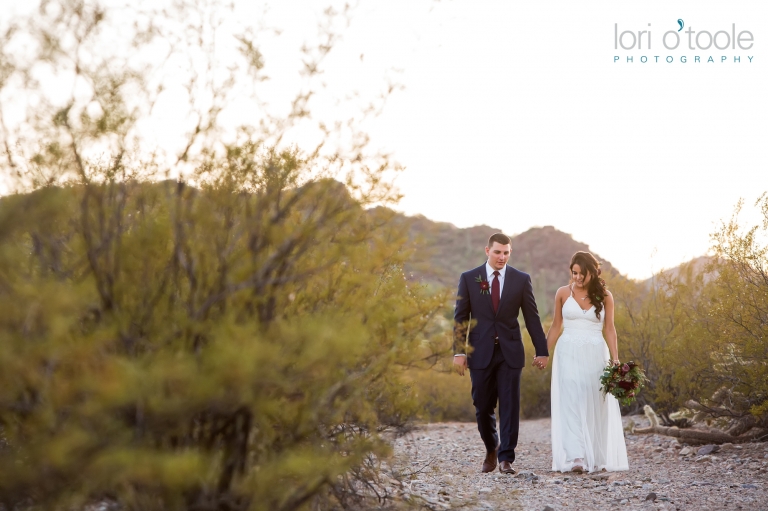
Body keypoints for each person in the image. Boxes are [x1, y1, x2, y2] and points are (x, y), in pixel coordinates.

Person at [453, 233, 549, 475]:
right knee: (482, 404)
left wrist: (542, 350)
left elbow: (532, 317)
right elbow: (460, 319)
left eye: (506, 253)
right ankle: (491, 447)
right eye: (497, 252)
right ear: (487, 251)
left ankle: (506, 458)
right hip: (480, 351)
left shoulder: (521, 279)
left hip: (510, 352)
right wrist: (458, 352)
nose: (502, 257)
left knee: (509, 405)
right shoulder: (469, 278)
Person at [547, 251, 629, 473]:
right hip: (568, 352)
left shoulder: (605, 296)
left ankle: (597, 454)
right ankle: (576, 457)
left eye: (583, 274)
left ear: (593, 273)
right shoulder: (563, 293)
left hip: (595, 352)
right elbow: (556, 325)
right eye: (574, 273)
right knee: (571, 398)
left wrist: (615, 359)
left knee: (596, 400)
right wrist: (544, 352)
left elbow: (610, 329)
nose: (578, 278)